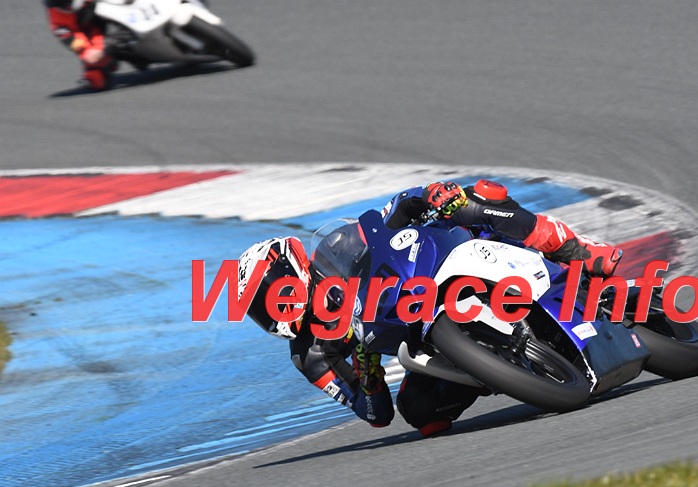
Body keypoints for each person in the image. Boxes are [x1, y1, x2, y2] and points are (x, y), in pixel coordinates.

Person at [237, 180, 623, 437]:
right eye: (258, 311)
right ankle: (497, 369)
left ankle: (578, 251)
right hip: (419, 337)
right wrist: (368, 375)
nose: (271, 311)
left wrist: (431, 195)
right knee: (420, 413)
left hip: (430, 269)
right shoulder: (311, 355)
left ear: (289, 269)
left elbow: (391, 214)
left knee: (476, 199)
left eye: (268, 295)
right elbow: (375, 413)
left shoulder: (336, 246)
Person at [44, 0, 117, 91]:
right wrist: (89, 52)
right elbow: (73, 41)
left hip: (105, 9)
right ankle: (98, 71)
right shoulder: (57, 17)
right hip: (91, 30)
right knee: (93, 66)